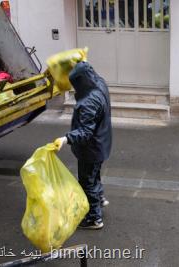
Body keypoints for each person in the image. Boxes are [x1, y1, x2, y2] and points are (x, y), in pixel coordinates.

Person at [54, 61, 112, 230]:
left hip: (91, 149)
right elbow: (88, 69)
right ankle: (100, 197)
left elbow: (86, 132)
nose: (74, 88)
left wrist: (66, 138)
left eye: (76, 84)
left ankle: (94, 218)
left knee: (87, 182)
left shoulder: (89, 102)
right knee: (94, 174)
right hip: (102, 142)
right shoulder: (100, 84)